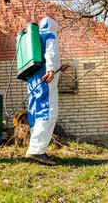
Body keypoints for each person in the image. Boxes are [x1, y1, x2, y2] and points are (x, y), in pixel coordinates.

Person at [25, 17, 67, 165]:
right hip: (46, 80)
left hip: (33, 82)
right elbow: (50, 53)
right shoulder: (50, 36)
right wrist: (50, 69)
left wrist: (58, 67)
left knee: (35, 113)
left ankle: (37, 149)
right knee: (48, 113)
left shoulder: (34, 39)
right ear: (53, 27)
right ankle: (36, 151)